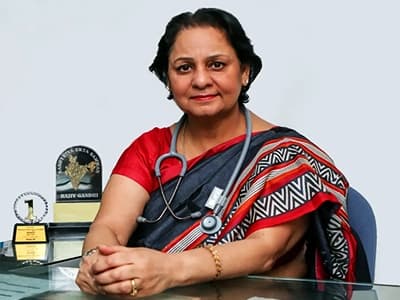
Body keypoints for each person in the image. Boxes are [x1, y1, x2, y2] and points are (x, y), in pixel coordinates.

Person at [75, 7, 369, 298]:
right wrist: (96, 262)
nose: (200, 80)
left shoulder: (288, 157)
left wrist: (168, 269)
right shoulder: (150, 148)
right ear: (167, 78)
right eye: (184, 68)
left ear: (244, 72)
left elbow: (265, 250)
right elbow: (109, 226)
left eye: (216, 65)